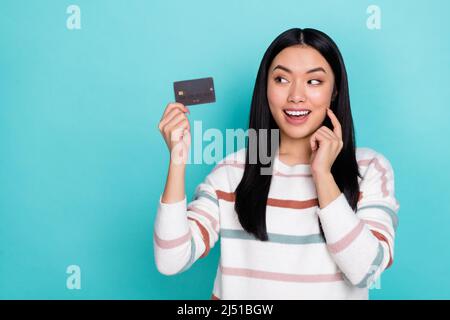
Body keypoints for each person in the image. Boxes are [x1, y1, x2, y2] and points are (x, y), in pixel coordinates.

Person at [154, 28, 400, 300]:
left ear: (335, 90)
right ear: (266, 88)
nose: (296, 95)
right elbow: (171, 259)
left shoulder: (368, 168)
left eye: (314, 81)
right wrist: (177, 158)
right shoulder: (234, 171)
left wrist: (322, 174)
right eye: (281, 79)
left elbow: (366, 270)